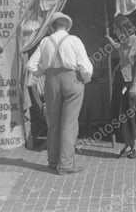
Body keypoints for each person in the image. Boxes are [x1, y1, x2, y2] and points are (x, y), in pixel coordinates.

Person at [26, 12, 93, 175]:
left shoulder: (44, 41)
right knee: (69, 123)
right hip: (72, 80)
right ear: (67, 27)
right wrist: (85, 79)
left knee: (54, 122)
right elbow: (86, 67)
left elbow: (30, 65)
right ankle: (66, 164)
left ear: (51, 28)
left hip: (51, 81)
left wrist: (43, 72)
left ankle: (53, 160)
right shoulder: (74, 40)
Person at [106, 14, 136, 159]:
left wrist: (134, 85)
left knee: (130, 114)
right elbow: (120, 48)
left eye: (116, 29)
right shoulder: (124, 41)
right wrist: (112, 42)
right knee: (121, 115)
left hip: (130, 81)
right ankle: (127, 144)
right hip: (120, 80)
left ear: (123, 28)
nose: (115, 32)